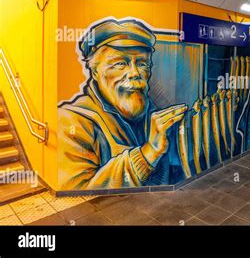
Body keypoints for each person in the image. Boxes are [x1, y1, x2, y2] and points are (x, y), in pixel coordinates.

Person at [58, 19, 187, 190]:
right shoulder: (71, 121)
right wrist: (148, 153)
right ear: (95, 71)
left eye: (142, 64)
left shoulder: (153, 113)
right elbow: (80, 193)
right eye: (120, 63)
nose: (134, 73)